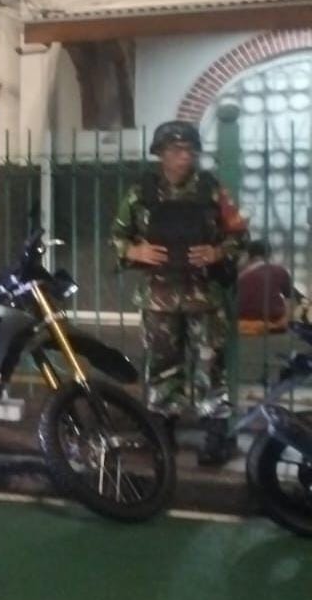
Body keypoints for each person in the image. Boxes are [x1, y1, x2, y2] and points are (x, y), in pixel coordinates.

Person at [111, 120, 251, 466]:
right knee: (162, 367)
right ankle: (162, 434)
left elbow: (240, 235)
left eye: (189, 150)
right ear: (160, 153)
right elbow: (117, 236)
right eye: (176, 150)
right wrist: (135, 251)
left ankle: (216, 438)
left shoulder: (211, 191)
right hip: (159, 297)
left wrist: (218, 252)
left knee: (209, 366)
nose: (184, 156)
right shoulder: (141, 193)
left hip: (204, 296)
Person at [237, 240, 298, 336]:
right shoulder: (279, 271)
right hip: (275, 325)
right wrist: (285, 319)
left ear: (248, 256)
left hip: (246, 326)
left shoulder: (241, 276)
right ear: (269, 255)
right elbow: (291, 298)